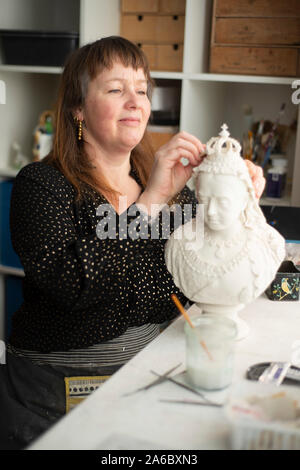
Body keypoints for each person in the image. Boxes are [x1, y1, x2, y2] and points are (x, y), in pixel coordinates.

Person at [0, 36, 265, 449]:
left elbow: (212, 264)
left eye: (141, 89)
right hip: (57, 395)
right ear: (78, 109)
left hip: (150, 373)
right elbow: (75, 283)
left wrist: (238, 199)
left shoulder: (164, 185)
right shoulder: (42, 185)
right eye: (115, 89)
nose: (136, 101)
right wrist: (150, 203)